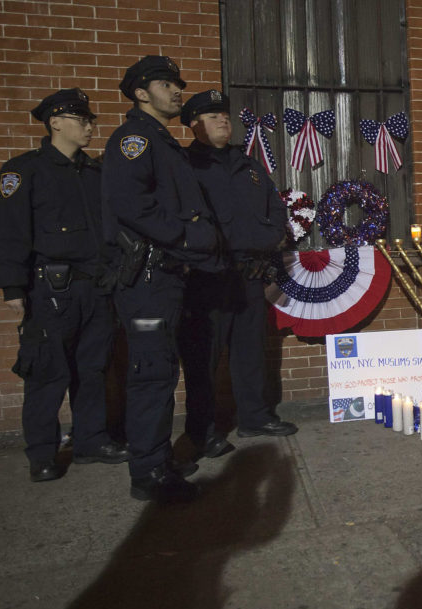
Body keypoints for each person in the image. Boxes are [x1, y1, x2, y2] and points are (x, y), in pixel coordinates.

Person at [0, 88, 130, 483]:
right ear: (55, 122)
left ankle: (91, 441)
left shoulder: (96, 174)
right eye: (81, 120)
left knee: (93, 369)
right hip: (51, 292)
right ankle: (42, 453)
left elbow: (113, 231)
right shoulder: (24, 171)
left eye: (89, 120)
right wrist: (12, 288)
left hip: (97, 289)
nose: (88, 127)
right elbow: (8, 233)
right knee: (47, 373)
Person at [102, 56, 222, 503]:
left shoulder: (161, 141)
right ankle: (149, 473)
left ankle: (157, 459)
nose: (177, 91)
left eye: (177, 84)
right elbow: (132, 205)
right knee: (151, 373)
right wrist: (189, 236)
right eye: (166, 84)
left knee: (161, 370)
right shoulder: (134, 139)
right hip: (147, 279)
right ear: (140, 93)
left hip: (165, 277)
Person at [178, 89, 298, 452]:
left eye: (226, 116)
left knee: (250, 350)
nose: (224, 121)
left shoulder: (247, 164)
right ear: (194, 124)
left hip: (248, 274)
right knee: (205, 356)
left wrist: (270, 237)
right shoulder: (185, 165)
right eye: (214, 117)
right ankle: (203, 430)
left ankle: (254, 417)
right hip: (207, 276)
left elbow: (275, 209)